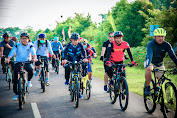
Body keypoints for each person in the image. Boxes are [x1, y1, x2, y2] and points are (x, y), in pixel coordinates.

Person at [144, 28, 177, 96]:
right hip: (150, 61)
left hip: (160, 63)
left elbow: (172, 56)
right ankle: (148, 87)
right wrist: (148, 65)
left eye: (162, 36)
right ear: (154, 37)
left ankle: (162, 99)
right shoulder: (150, 44)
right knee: (149, 69)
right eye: (158, 36)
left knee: (161, 81)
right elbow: (149, 55)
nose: (161, 38)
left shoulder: (167, 45)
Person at [6, 32, 38, 101]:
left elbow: (33, 52)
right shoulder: (17, 45)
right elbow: (12, 52)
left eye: (26, 38)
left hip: (27, 62)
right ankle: (17, 94)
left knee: (31, 69)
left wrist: (34, 57)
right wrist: (8, 58)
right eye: (23, 38)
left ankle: (29, 81)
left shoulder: (30, 45)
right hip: (18, 62)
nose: (24, 40)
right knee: (14, 79)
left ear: (28, 39)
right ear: (20, 39)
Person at [62, 32, 88, 98]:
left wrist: (85, 58)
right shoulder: (68, 45)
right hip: (70, 60)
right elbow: (64, 52)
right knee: (67, 67)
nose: (75, 41)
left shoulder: (80, 45)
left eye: (76, 40)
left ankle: (79, 92)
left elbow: (83, 51)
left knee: (79, 74)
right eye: (74, 40)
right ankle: (67, 80)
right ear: (71, 40)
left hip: (78, 60)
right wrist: (64, 59)